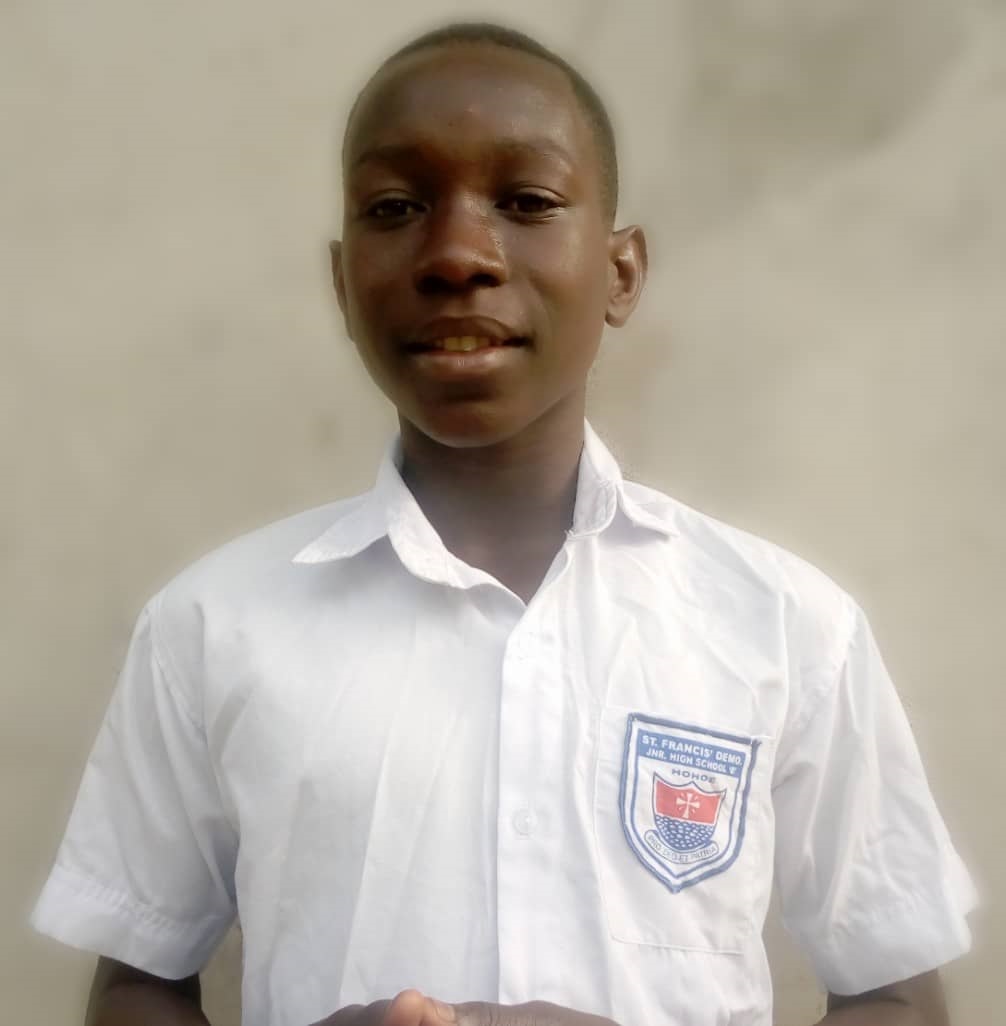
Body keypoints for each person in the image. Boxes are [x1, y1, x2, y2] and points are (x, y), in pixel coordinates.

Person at [33, 21, 976, 1026]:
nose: (456, 255)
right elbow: (136, 986)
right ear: (342, 282)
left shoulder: (784, 626)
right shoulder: (211, 627)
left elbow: (897, 995)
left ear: (620, 273)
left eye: (525, 202)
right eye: (395, 208)